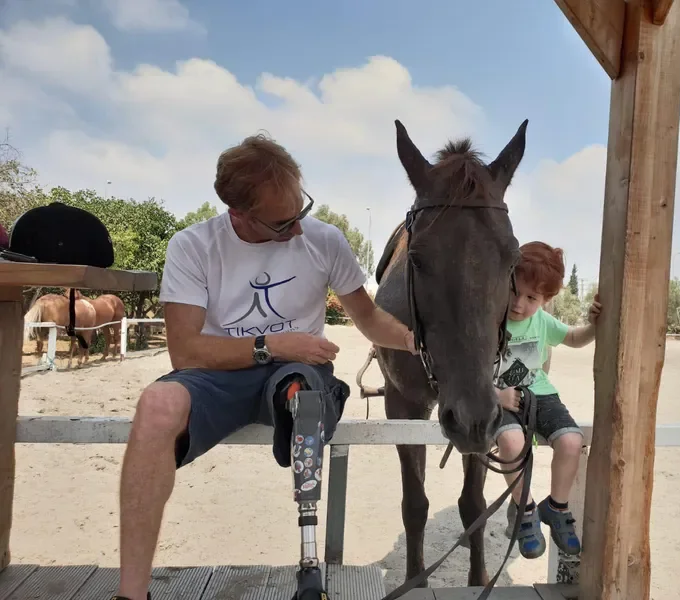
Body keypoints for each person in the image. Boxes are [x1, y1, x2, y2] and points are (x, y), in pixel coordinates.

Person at [111, 133, 417, 600]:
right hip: (221, 374)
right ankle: (131, 593)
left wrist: (419, 343)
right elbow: (186, 353)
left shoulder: (324, 241)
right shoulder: (192, 246)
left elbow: (371, 319)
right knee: (155, 403)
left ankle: (309, 569)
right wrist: (274, 344)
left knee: (304, 396)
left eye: (302, 210)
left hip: (298, 372)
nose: (297, 230)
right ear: (237, 213)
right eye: (282, 223)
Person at [491, 241, 602, 560]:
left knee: (571, 441)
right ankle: (525, 512)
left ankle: (556, 507)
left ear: (546, 300)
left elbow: (573, 338)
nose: (518, 304)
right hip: (500, 397)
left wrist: (594, 326)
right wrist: (495, 395)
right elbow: (468, 369)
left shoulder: (542, 322)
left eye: (531, 298)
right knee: (511, 443)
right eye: (515, 292)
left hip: (540, 392)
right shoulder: (489, 320)